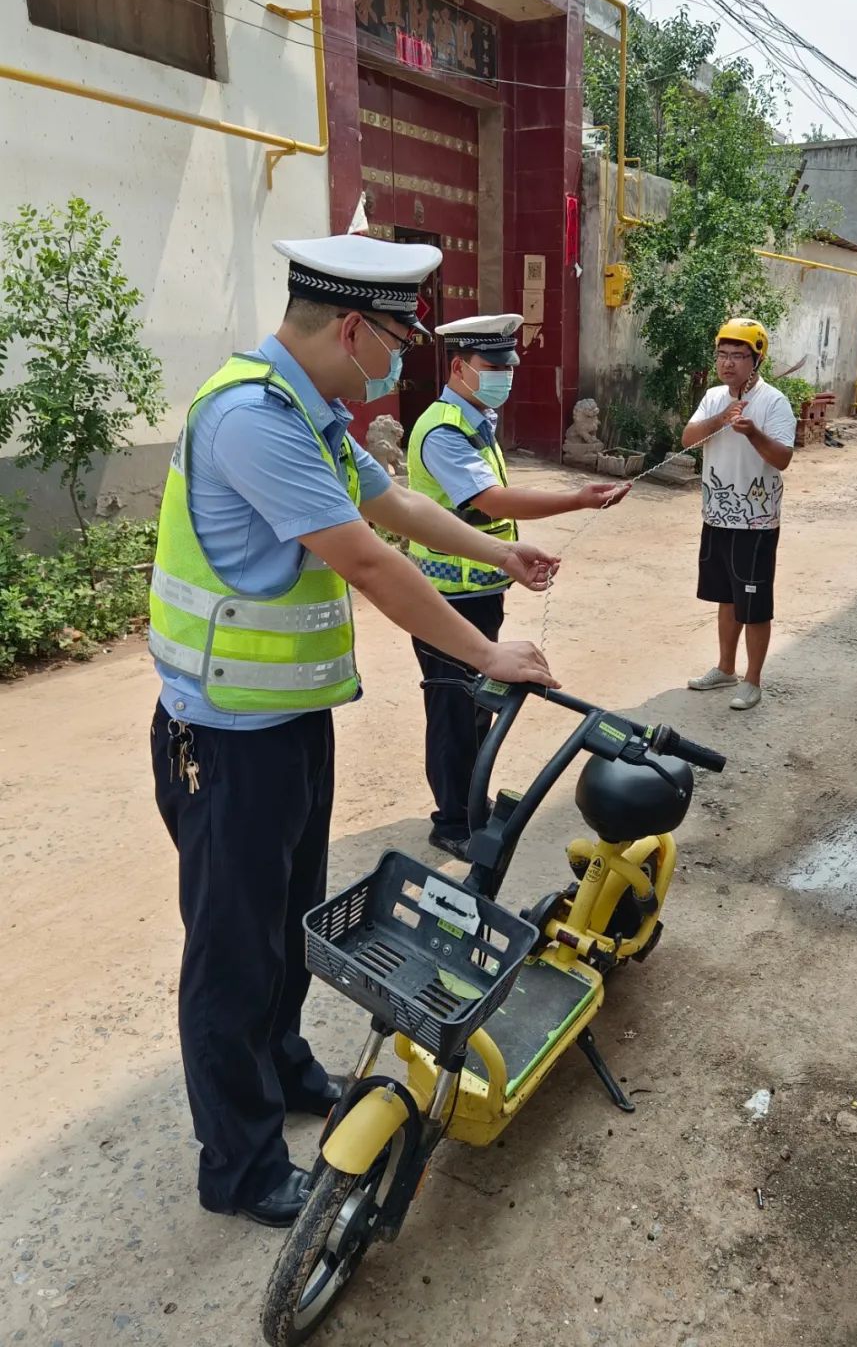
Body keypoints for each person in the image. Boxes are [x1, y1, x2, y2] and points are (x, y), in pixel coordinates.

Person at [148, 237, 561, 1228]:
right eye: (396, 337)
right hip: (226, 743)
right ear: (348, 326)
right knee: (232, 955)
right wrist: (488, 653)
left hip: (287, 727)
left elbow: (400, 503)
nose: (400, 358)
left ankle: (285, 1067)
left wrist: (505, 552)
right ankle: (239, 1165)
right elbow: (371, 561)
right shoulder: (252, 420)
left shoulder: (309, 410)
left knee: (288, 923)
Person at [407, 313, 630, 861]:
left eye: (508, 367)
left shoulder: (474, 422)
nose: (503, 377)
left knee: (478, 707)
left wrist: (509, 562)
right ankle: (452, 820)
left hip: (481, 593)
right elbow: (493, 502)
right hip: (445, 600)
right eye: (492, 367)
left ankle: (468, 802)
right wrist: (577, 498)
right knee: (454, 711)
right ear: (459, 367)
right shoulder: (442, 430)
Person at [682, 318, 795, 711]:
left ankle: (753, 680)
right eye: (722, 355)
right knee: (726, 597)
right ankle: (725, 668)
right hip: (716, 515)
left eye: (738, 356)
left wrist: (752, 433)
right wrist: (722, 418)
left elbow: (782, 458)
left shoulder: (773, 402)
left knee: (755, 603)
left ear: (756, 359)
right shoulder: (714, 397)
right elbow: (687, 439)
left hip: (756, 522)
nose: (728, 363)